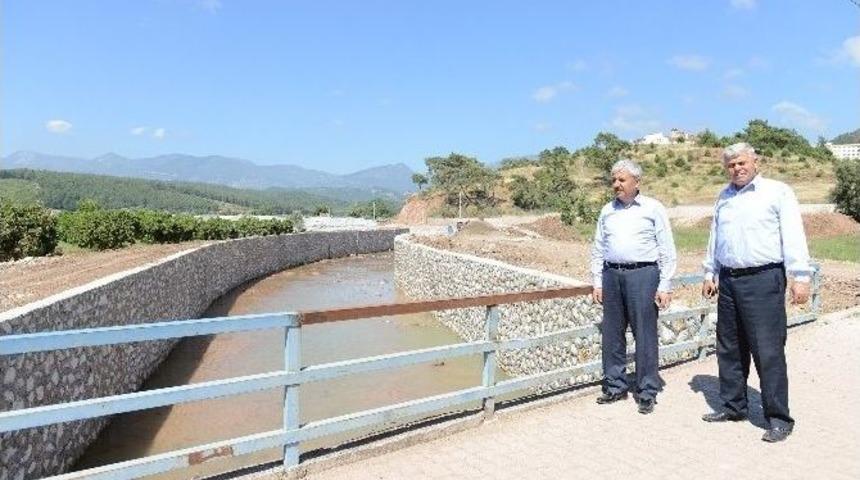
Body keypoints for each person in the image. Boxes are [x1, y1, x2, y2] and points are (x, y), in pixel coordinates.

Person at [700, 142, 812, 443]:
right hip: (729, 281)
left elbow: (793, 234)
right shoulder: (723, 197)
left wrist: (800, 276)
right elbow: (716, 237)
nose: (737, 168)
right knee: (730, 347)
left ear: (755, 162)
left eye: (741, 163)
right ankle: (734, 406)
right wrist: (709, 271)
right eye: (731, 165)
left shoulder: (777, 192)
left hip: (764, 279)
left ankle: (778, 417)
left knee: (768, 350)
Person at [591, 159, 677, 414]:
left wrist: (665, 284)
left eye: (622, 180)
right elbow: (598, 247)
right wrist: (597, 280)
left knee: (645, 334)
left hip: (643, 274)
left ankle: (647, 390)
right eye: (614, 180)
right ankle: (615, 386)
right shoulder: (607, 210)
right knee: (612, 335)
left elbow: (667, 249)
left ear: (636, 182)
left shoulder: (653, 208)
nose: (616, 184)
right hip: (612, 275)